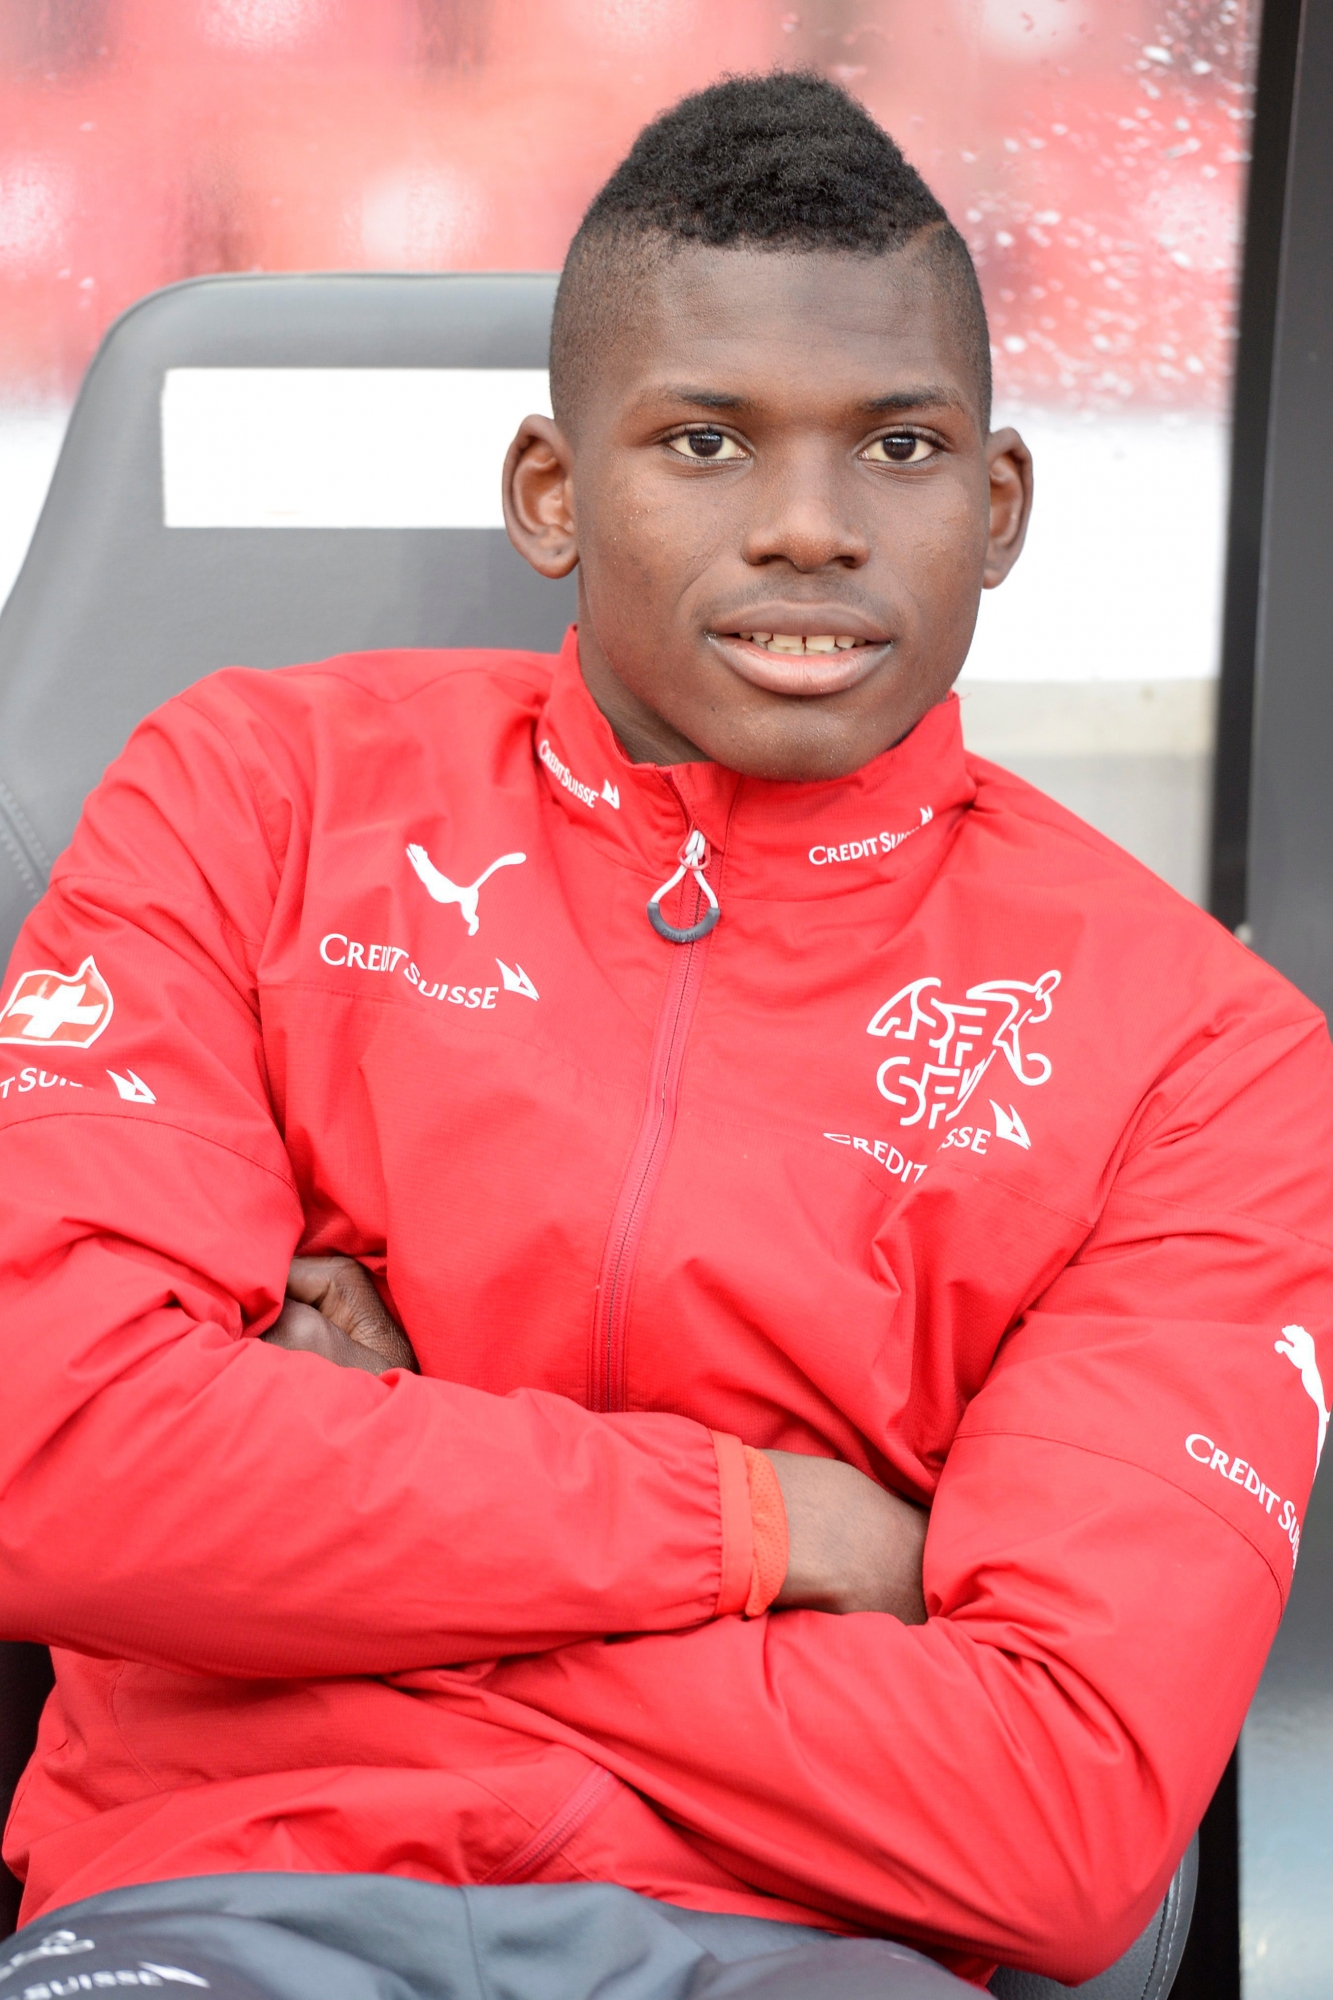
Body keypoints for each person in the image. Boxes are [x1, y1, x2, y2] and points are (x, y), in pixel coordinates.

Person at [1, 69, 1330, 2000]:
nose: (807, 528)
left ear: (1000, 501)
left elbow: (1056, 1820)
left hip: (806, 1950)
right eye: (703, 441)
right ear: (553, 493)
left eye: (896, 447)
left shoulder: (1203, 1051)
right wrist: (772, 1522)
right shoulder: (254, 796)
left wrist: (337, 1513)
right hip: (229, 1905)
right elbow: (54, 1465)